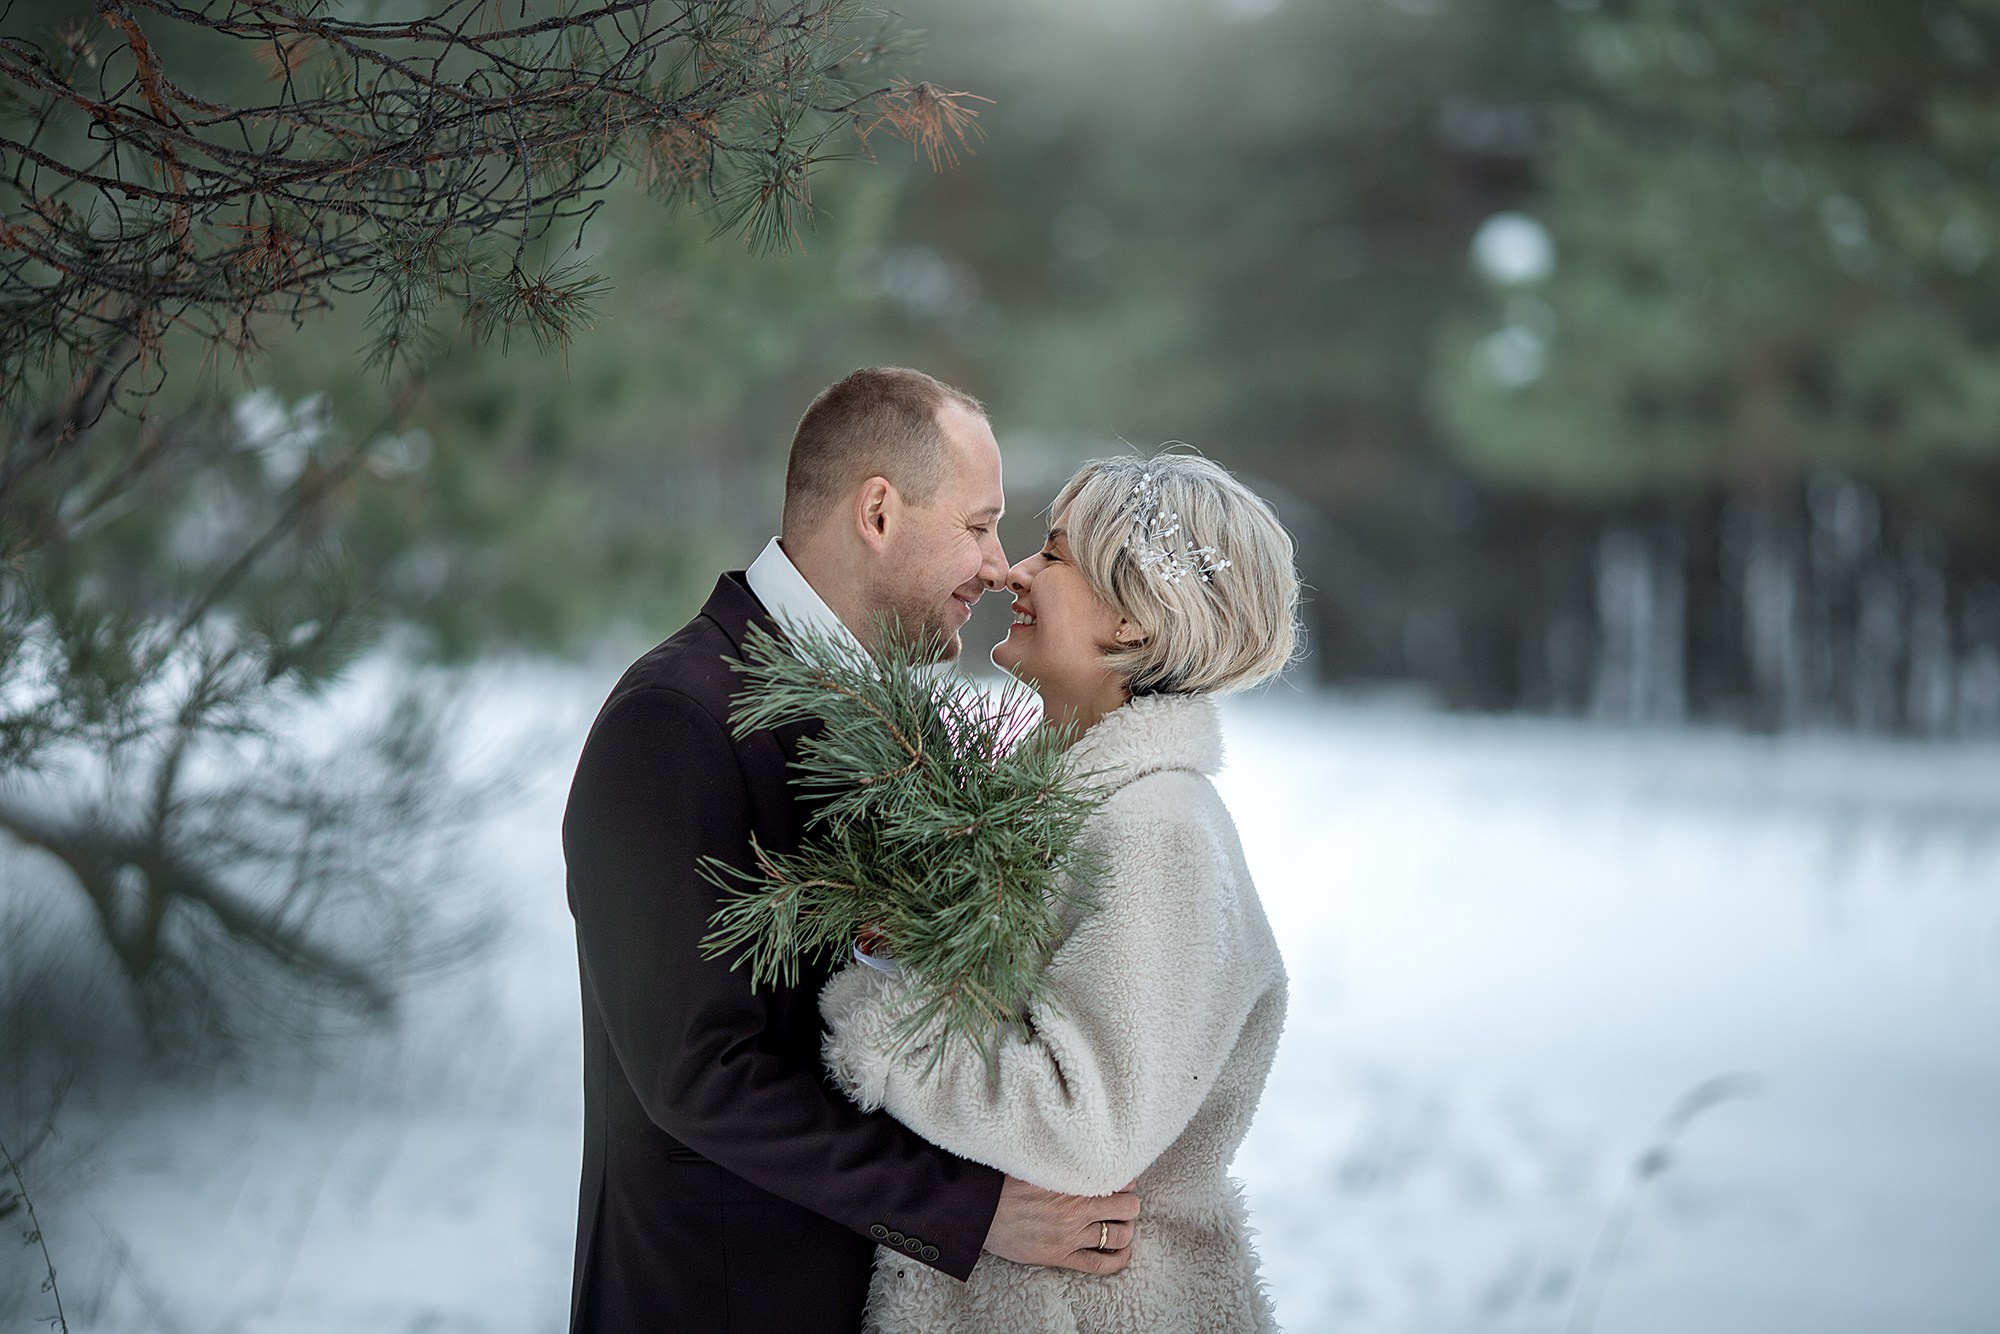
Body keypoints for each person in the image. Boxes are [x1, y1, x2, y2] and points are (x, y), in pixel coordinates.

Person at [561, 368, 1141, 1334]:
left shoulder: (903, 724)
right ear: (877, 512)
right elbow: (699, 1072)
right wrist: (971, 1211)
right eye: (977, 525)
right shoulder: (677, 720)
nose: (998, 566)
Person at [820, 451, 1298, 1334]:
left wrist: (875, 1014)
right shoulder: (1066, 806)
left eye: (1054, 554)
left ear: (1134, 616)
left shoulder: (1159, 828)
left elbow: (1087, 1128)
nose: (1014, 571)